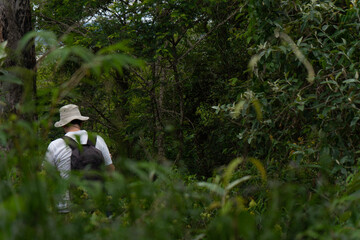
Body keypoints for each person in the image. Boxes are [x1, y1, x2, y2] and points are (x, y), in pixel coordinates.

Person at [45, 104, 115, 212]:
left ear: (63, 125)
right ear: (81, 122)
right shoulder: (98, 140)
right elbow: (111, 172)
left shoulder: (55, 145)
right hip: (97, 206)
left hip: (67, 208)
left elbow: (46, 177)